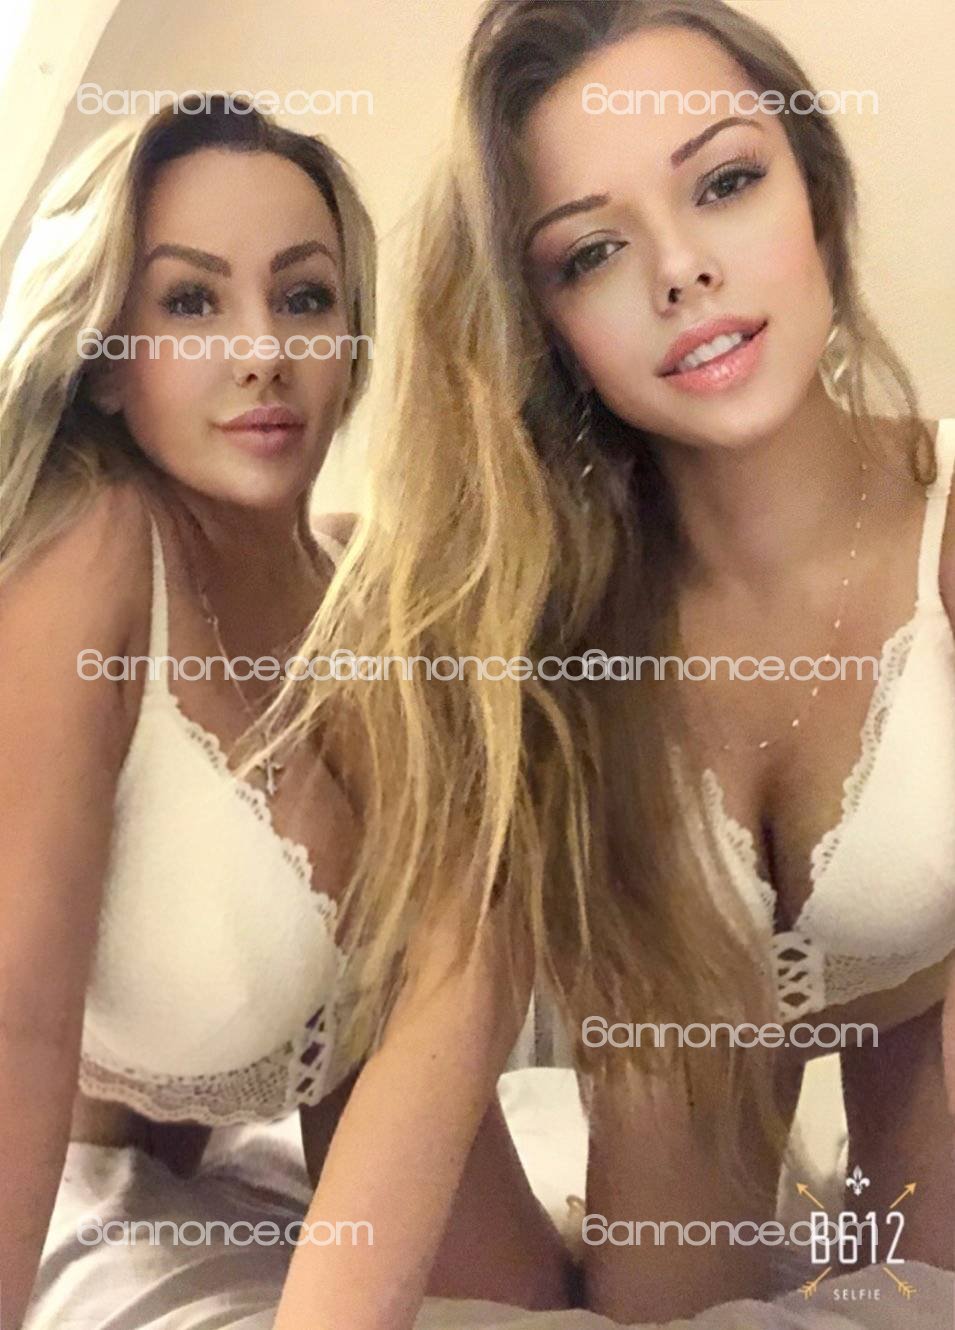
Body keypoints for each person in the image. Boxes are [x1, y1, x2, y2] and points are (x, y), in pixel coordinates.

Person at [265, 2, 954, 1325]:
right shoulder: (542, 608)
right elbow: (450, 1003)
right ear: (544, 326)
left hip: (917, 1021)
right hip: (678, 1049)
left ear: (816, 191)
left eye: (725, 182)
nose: (680, 271)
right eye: (589, 251)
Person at [0, 93, 569, 1330]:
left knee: (539, 1307)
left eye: (305, 297)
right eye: (191, 301)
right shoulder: (94, 556)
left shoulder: (380, 599)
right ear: (107, 358)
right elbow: (18, 1022)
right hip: (102, 1106)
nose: (262, 351)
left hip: (347, 1076)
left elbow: (452, 979)